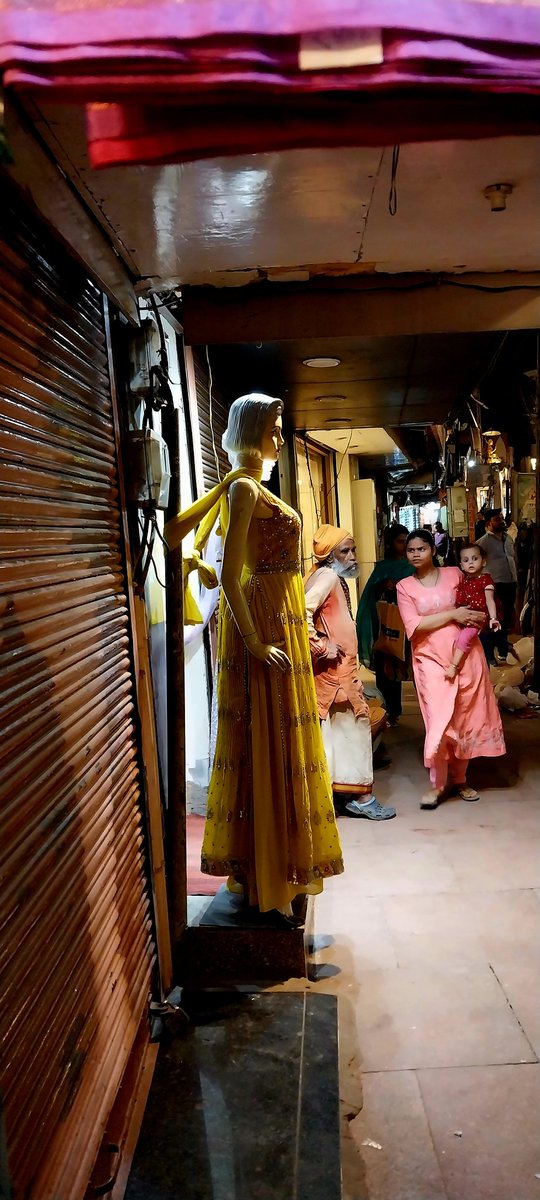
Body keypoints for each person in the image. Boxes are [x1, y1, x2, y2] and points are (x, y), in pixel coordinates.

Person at [165, 393, 343, 918]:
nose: (281, 437)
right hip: (264, 624)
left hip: (279, 619)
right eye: (274, 426)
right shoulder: (243, 488)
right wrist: (254, 641)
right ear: (253, 429)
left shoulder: (248, 486)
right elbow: (231, 576)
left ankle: (272, 867)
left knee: (282, 740)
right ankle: (266, 874)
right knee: (268, 742)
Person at [397, 529, 505, 809]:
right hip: (429, 658)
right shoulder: (404, 587)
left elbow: (478, 600)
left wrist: (484, 616)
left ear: (433, 550)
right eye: (411, 550)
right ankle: (437, 784)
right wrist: (454, 615)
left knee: (463, 717)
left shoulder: (455, 574)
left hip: (466, 656)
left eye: (421, 548)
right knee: (439, 720)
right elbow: (415, 625)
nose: (416, 554)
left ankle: (460, 779)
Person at [304, 525, 396, 820]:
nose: (352, 556)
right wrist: (319, 645)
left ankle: (336, 796)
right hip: (337, 675)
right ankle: (362, 799)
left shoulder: (327, 576)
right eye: (345, 551)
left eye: (353, 550)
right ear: (329, 555)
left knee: (338, 735)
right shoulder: (328, 576)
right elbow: (302, 612)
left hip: (337, 673)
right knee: (355, 731)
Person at [356, 524, 414, 725]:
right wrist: (383, 585)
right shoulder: (382, 567)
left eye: (407, 540)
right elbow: (370, 595)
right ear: (390, 543)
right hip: (384, 625)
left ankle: (396, 710)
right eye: (400, 540)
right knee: (385, 669)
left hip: (407, 625)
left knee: (402, 668)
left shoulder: (413, 565)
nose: (404, 544)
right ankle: (387, 711)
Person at [444, 543, 500, 680]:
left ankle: (453, 666)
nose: (471, 563)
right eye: (466, 560)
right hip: (463, 617)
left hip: (477, 618)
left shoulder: (485, 580)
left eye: (475, 559)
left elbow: (490, 601)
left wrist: (493, 618)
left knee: (464, 638)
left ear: (483, 561)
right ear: (461, 565)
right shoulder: (464, 581)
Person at [476, 509, 518, 661]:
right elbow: (475, 562)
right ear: (489, 524)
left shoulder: (508, 539)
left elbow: (512, 558)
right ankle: (490, 655)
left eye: (501, 517)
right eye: (497, 519)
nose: (501, 520)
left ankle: (503, 652)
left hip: (510, 582)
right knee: (494, 619)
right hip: (495, 585)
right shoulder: (483, 543)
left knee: (506, 618)